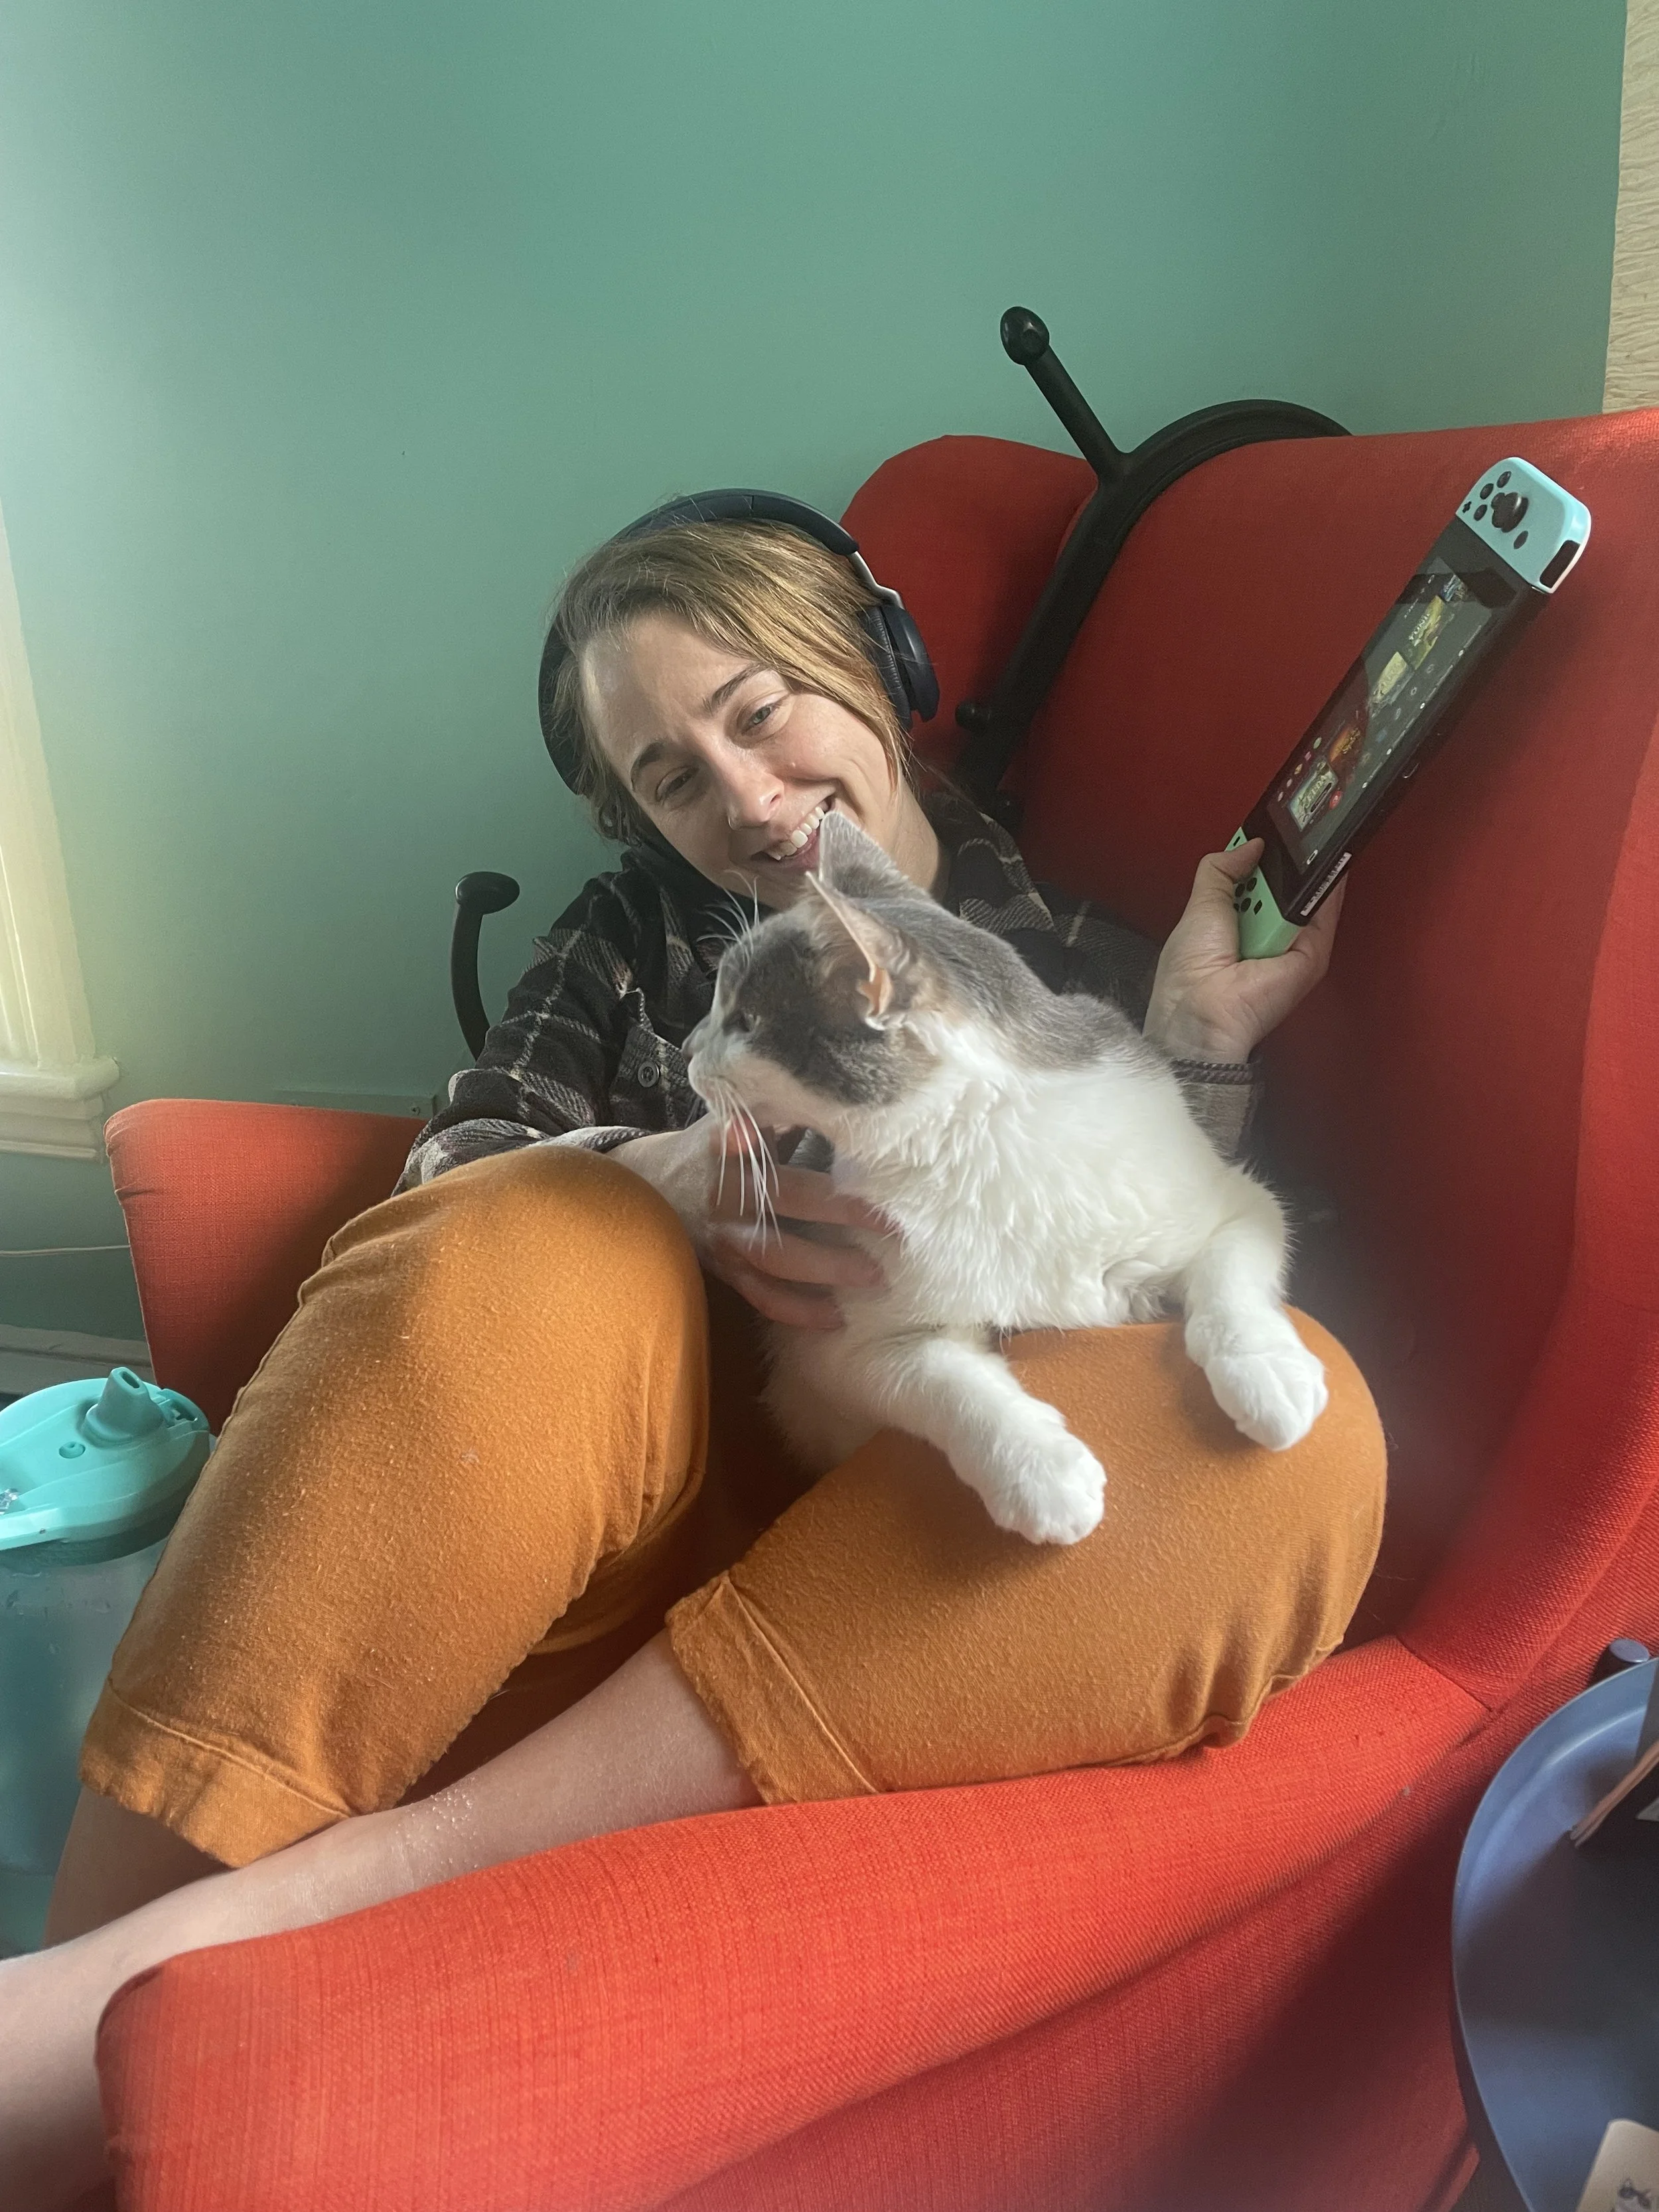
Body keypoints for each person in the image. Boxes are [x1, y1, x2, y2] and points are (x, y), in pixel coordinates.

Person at [3, 500, 1384, 2209]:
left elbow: (1188, 1271)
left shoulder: (1076, 958)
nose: (743, 798)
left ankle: (291, 1923)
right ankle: (82, 2007)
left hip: (884, 1602)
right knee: (518, 1232)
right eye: (670, 778)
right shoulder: (636, 939)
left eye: (758, 711)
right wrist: (673, 1189)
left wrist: (1195, 1047)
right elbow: (453, 1173)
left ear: (875, 660)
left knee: (1303, 1451)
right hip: (607, 1514)